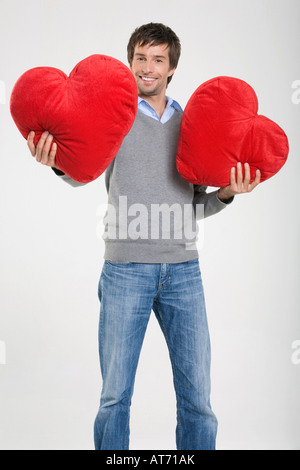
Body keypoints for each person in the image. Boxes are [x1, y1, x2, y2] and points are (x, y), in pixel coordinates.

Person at [27, 23, 261, 450]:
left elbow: (196, 206)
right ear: (130, 61)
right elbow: (80, 174)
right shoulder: (112, 118)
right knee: (115, 398)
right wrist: (56, 162)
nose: (147, 68)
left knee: (198, 401)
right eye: (140, 57)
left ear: (172, 68)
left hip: (184, 273)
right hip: (124, 272)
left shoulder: (192, 124)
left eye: (157, 59)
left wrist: (227, 193)